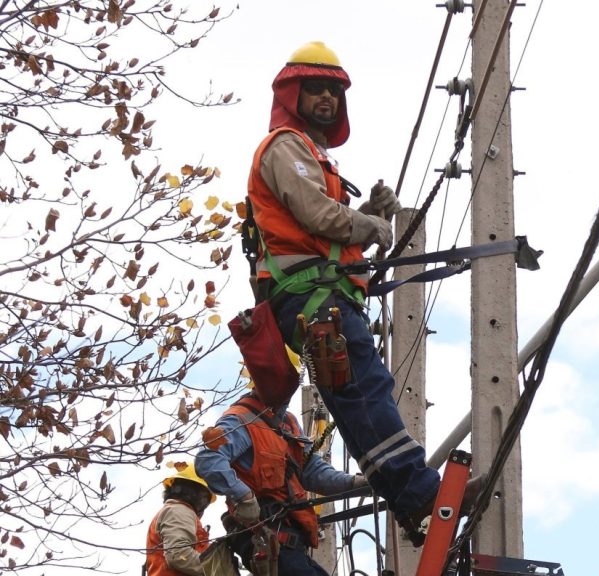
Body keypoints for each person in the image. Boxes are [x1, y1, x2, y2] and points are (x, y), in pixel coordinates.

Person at [243, 39, 450, 536]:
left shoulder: (312, 155)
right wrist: (370, 226)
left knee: (359, 399)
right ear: (293, 96)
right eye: (315, 90)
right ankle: (418, 491)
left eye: (333, 92)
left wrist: (372, 215)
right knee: (367, 388)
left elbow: (328, 234)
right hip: (311, 295)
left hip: (318, 293)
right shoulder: (285, 146)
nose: (326, 99)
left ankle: (408, 497)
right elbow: (317, 216)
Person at [195, 390, 366, 575]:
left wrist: (356, 483)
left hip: (288, 540)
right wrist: (243, 496)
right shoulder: (242, 420)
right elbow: (209, 459)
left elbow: (312, 471)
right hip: (262, 535)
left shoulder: (288, 423)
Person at [145, 462, 215, 576]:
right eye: (204, 497)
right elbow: (178, 555)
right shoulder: (178, 511)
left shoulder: (175, 511)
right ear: (192, 492)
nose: (204, 504)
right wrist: (218, 569)